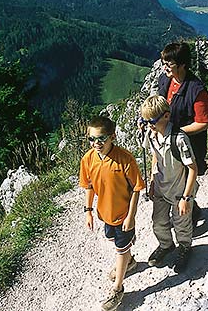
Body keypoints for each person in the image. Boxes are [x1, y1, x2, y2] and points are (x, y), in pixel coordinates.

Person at [79, 116, 145, 311]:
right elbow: (89, 185)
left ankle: (118, 289)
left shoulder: (125, 159)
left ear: (112, 137)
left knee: (120, 248)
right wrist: (88, 211)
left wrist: (131, 216)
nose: (96, 144)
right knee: (115, 243)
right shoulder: (88, 159)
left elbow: (136, 188)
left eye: (101, 139)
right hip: (104, 213)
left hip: (123, 214)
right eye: (91, 139)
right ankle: (130, 262)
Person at [140, 95, 198, 273]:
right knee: (158, 221)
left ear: (166, 116)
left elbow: (193, 169)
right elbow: (154, 157)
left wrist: (186, 198)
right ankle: (166, 245)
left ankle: (184, 247)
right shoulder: (151, 134)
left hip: (180, 191)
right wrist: (151, 181)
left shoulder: (179, 139)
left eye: (152, 120)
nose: (149, 124)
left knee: (181, 223)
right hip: (160, 187)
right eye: (145, 120)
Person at [157, 42, 208, 224]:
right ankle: (189, 210)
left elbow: (204, 122)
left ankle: (188, 216)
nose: (165, 67)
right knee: (174, 177)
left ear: (182, 65)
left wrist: (176, 132)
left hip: (189, 143)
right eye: (164, 62)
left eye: (169, 63)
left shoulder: (196, 89)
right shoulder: (165, 80)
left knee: (186, 177)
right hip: (171, 141)